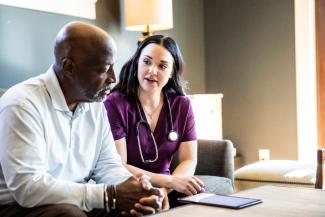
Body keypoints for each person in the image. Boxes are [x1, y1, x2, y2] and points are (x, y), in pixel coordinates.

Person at [0, 22, 163, 217]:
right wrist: (109, 195)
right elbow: (29, 188)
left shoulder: (96, 105)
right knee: (69, 214)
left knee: (136, 210)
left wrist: (136, 190)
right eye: (104, 69)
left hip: (77, 199)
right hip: (20, 206)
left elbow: (108, 166)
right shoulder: (23, 103)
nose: (113, 78)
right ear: (69, 67)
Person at [104, 35, 205, 209]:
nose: (152, 71)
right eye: (147, 62)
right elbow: (119, 166)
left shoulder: (181, 104)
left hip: (169, 188)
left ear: (172, 71)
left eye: (162, 66)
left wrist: (165, 190)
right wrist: (171, 181)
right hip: (131, 186)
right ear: (137, 63)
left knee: (202, 203)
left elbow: (189, 160)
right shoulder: (115, 104)